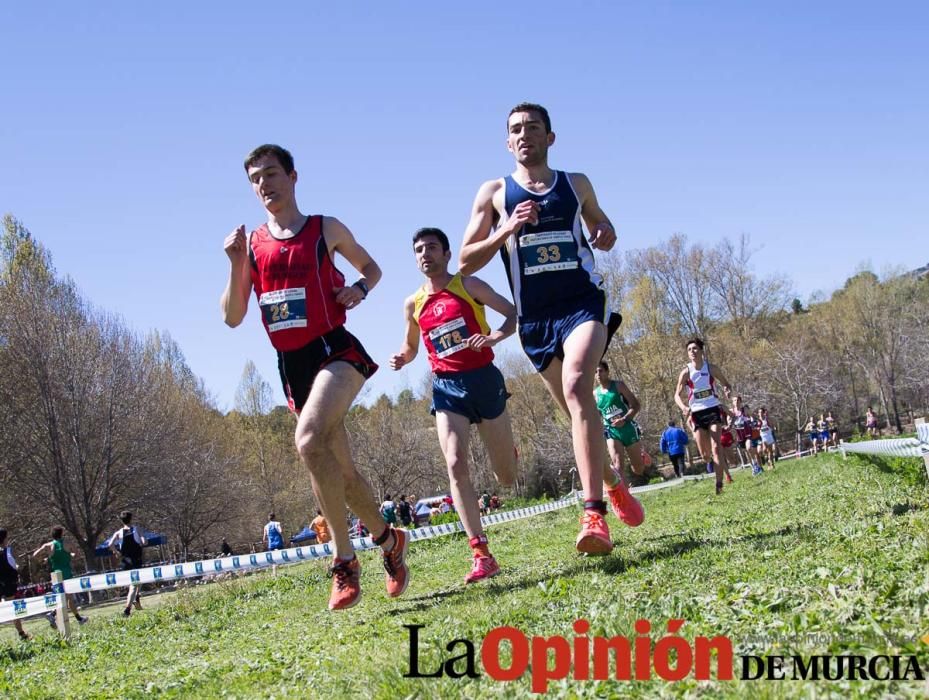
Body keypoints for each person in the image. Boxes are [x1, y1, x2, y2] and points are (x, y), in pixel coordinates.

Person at [221, 144, 409, 610]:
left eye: (272, 174)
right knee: (342, 475)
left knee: (308, 442)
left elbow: (373, 267)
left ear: (293, 177)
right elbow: (232, 316)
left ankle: (344, 561)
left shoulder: (325, 228)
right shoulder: (253, 246)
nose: (265, 184)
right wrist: (234, 262)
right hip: (293, 367)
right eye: (256, 179)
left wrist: (358, 288)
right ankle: (390, 543)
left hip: (334, 349)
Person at [458, 102, 621, 555]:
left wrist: (606, 232)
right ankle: (613, 483)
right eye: (516, 129)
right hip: (535, 320)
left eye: (533, 127)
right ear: (507, 142)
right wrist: (505, 228)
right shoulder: (494, 193)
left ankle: (593, 514)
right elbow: (465, 262)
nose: (524, 134)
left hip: (582, 303)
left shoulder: (576, 183)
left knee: (576, 386)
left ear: (551, 137)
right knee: (576, 410)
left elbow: (601, 226)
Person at [390, 227, 518, 582]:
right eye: (418, 250)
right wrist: (403, 356)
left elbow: (512, 314)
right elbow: (412, 345)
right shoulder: (412, 303)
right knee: (455, 463)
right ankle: (481, 552)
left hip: (483, 379)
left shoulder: (468, 285)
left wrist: (493, 336)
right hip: (446, 388)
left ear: (446, 254)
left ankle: (508, 451)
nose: (425, 254)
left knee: (506, 476)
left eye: (432, 247)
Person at [674, 338, 734, 495]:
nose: (692, 352)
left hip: (712, 409)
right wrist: (683, 407)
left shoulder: (712, 369)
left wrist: (727, 391)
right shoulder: (686, 372)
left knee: (716, 447)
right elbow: (677, 395)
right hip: (696, 413)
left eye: (695, 348)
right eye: (689, 350)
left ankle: (719, 483)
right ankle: (711, 463)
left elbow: (726, 384)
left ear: (701, 350)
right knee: (705, 455)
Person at [593, 362, 645, 526]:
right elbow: (597, 416)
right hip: (611, 431)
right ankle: (625, 500)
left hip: (627, 428)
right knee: (617, 464)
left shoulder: (619, 385)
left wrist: (625, 419)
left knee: (638, 469)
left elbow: (636, 405)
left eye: (601, 370)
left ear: (607, 372)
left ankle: (643, 457)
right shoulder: (595, 394)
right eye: (595, 372)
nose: (598, 374)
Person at [31, 527, 88, 628]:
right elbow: (77, 554)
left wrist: (45, 560)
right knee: (68, 597)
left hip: (55, 575)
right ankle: (54, 614)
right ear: (61, 534)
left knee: (63, 597)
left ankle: (77, 618)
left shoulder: (48, 545)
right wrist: (70, 555)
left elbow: (35, 555)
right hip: (66, 573)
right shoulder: (67, 542)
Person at [105, 511, 147, 617]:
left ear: (121, 520)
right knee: (134, 585)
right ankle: (127, 610)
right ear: (131, 518)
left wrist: (116, 552)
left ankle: (136, 598)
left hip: (125, 562)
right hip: (136, 560)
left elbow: (110, 544)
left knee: (136, 583)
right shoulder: (137, 529)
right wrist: (143, 542)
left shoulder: (118, 533)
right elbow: (144, 542)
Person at [0, 528, 30, 641]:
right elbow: (18, 566)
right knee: (12, 608)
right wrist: (17, 569)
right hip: (9, 583)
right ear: (4, 538)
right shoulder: (9, 550)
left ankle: (22, 634)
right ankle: (21, 633)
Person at [732, 397, 762, 476]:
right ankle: (753, 467)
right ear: (732, 402)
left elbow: (752, 416)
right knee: (746, 452)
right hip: (740, 435)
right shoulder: (732, 412)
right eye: (734, 400)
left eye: (738, 400)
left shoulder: (744, 409)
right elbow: (730, 422)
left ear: (740, 402)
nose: (736, 402)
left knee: (749, 447)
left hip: (747, 433)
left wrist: (756, 421)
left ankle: (755, 464)